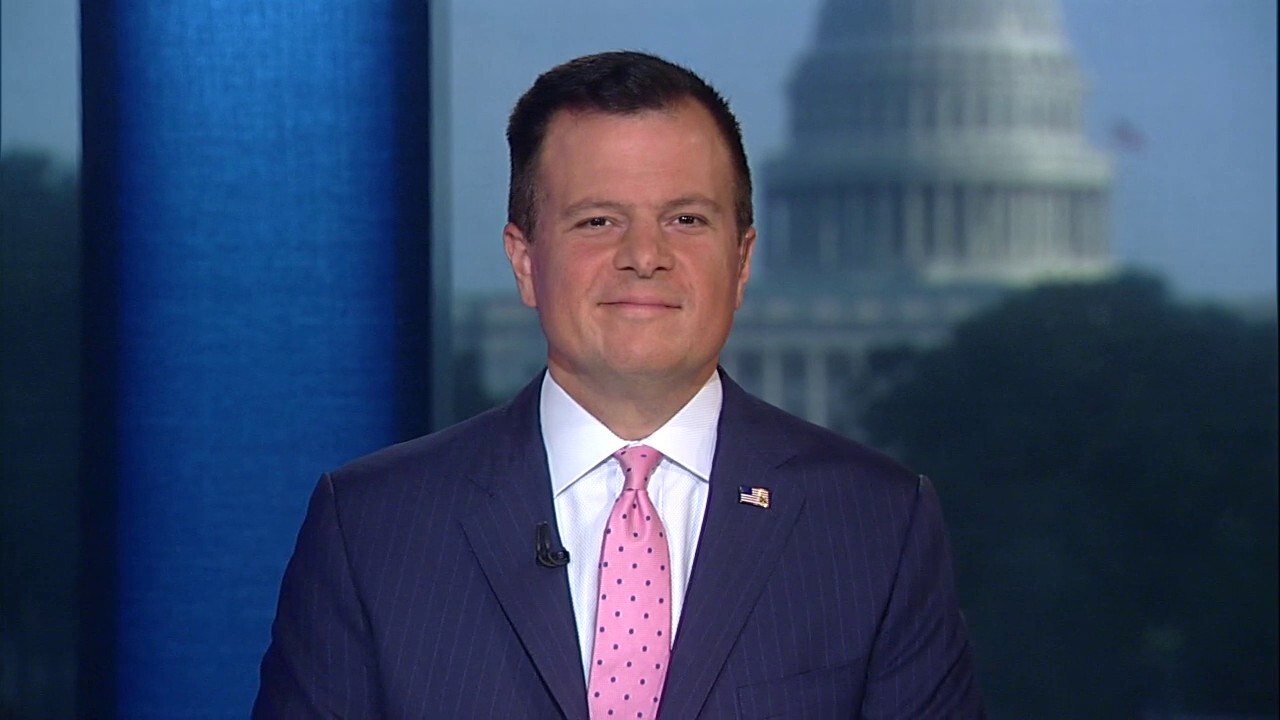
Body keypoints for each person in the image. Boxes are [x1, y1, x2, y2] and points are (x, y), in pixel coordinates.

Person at [254, 50, 983, 719]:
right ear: (525, 260)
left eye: (686, 219)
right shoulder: (372, 529)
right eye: (598, 220)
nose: (644, 256)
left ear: (741, 261)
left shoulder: (874, 526)